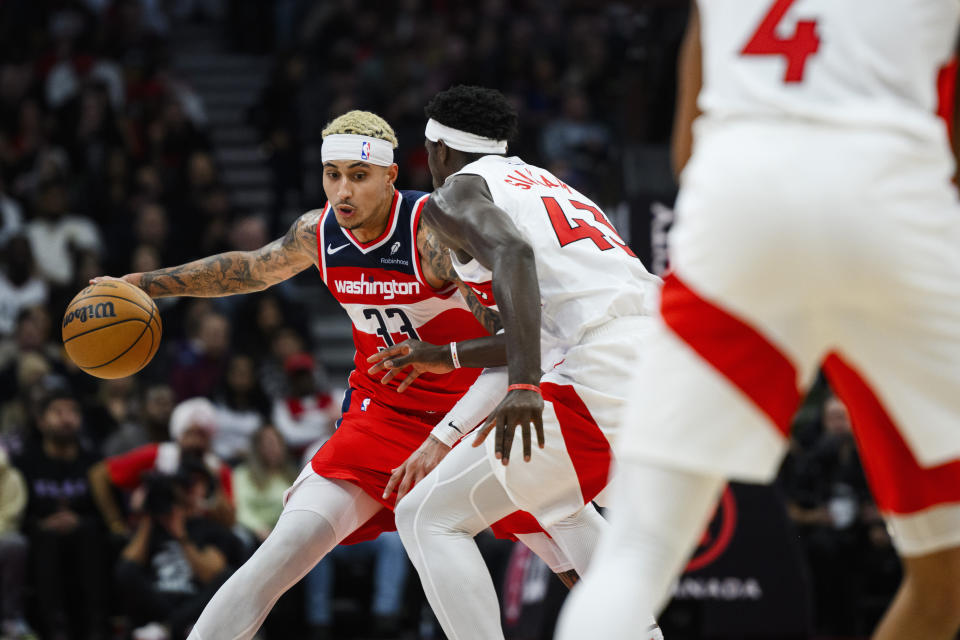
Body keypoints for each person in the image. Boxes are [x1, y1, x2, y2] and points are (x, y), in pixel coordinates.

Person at [91, 110, 586, 640]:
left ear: (390, 177)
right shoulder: (317, 232)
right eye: (333, 175)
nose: (343, 190)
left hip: (469, 420)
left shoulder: (433, 235)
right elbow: (250, 269)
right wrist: (146, 283)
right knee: (279, 553)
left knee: (571, 556)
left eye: (358, 174)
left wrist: (442, 356)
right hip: (382, 417)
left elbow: (516, 342)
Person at [556, 3, 960, 639]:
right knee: (946, 575)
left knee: (638, 549)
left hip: (741, 194)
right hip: (893, 199)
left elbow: (687, 146)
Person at [369, 85, 663, 640]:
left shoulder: (452, 197)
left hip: (602, 363)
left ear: (437, 151)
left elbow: (513, 255)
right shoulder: (544, 182)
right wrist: (447, 355)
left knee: (427, 517)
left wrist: (525, 386)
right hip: (652, 354)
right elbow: (530, 324)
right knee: (553, 501)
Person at [14, 384, 107, 640]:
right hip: (41, 540)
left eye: (72, 412)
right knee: (46, 539)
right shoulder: (25, 463)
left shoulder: (94, 463)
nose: (67, 419)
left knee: (89, 533)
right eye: (58, 412)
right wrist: (43, 525)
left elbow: (108, 517)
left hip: (87, 540)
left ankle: (97, 626)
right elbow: (17, 515)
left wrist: (79, 521)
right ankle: (55, 629)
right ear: (41, 421)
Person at [115, 464, 244, 640]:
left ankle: (170, 626)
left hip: (193, 599)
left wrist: (181, 535)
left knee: (226, 576)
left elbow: (212, 573)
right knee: (126, 571)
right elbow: (127, 566)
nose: (186, 494)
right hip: (159, 599)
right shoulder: (153, 528)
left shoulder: (209, 528)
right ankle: (175, 625)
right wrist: (148, 516)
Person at [89, 397, 234, 536]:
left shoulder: (218, 469)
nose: (195, 442)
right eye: (190, 433)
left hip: (202, 538)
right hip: (154, 533)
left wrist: (213, 483)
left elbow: (230, 522)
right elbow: (98, 474)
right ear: (178, 434)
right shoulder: (159, 456)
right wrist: (116, 524)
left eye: (202, 434)